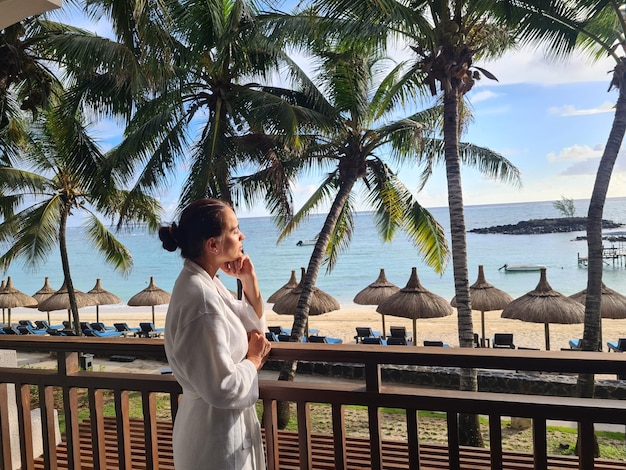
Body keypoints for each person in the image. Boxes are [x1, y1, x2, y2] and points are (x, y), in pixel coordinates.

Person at [159, 198, 271, 470]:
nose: (242, 236)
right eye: (234, 230)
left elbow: (253, 329)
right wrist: (253, 361)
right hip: (214, 441)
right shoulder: (201, 299)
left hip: (215, 430)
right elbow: (223, 388)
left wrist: (248, 281)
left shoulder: (205, 283)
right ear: (213, 245)